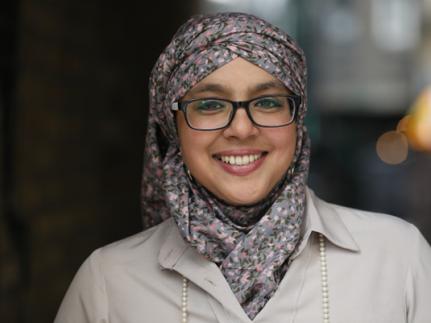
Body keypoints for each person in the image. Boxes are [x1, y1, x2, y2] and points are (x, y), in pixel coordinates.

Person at [54, 12, 431, 323]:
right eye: (209, 105)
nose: (241, 128)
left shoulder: (397, 258)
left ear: (297, 122)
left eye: (267, 102)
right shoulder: (109, 281)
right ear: (174, 128)